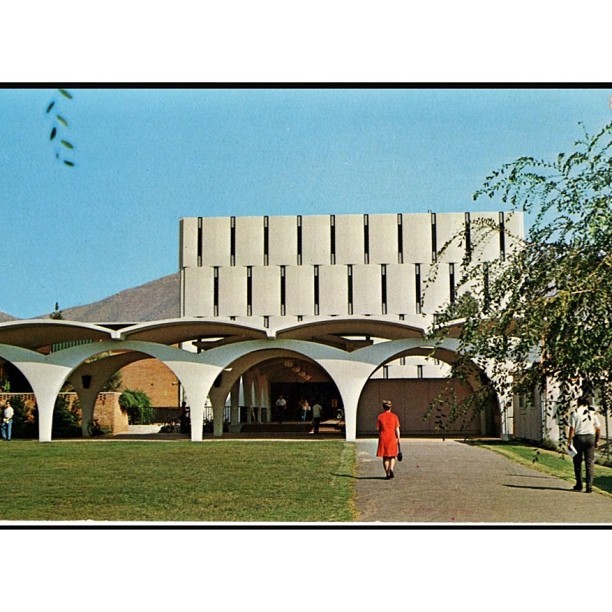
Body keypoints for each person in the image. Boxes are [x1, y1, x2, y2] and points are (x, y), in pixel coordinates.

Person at [568, 395, 601, 493]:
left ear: (578, 403)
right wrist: (596, 441)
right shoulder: (592, 413)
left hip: (579, 438)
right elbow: (598, 428)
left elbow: (572, 429)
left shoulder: (575, 413)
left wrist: (569, 441)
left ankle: (579, 484)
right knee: (589, 462)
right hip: (590, 437)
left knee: (577, 461)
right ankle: (589, 486)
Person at [376, 400, 401, 480]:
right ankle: (391, 469)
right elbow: (397, 429)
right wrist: (398, 438)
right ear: (391, 407)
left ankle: (387, 473)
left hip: (383, 437)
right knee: (392, 456)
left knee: (385, 457)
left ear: (383, 407)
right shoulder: (395, 416)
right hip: (392, 437)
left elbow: (378, 428)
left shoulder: (380, 417)